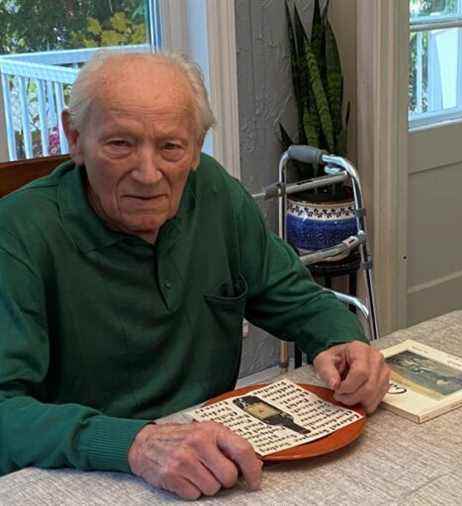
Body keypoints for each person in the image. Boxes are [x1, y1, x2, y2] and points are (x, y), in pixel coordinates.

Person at [0, 52, 390, 499]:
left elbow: (293, 296)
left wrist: (341, 341)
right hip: (80, 476)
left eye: (171, 147)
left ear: (197, 146)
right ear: (75, 137)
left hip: (210, 468)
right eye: (120, 144)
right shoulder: (15, 234)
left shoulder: (217, 195)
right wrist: (137, 444)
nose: (148, 175)